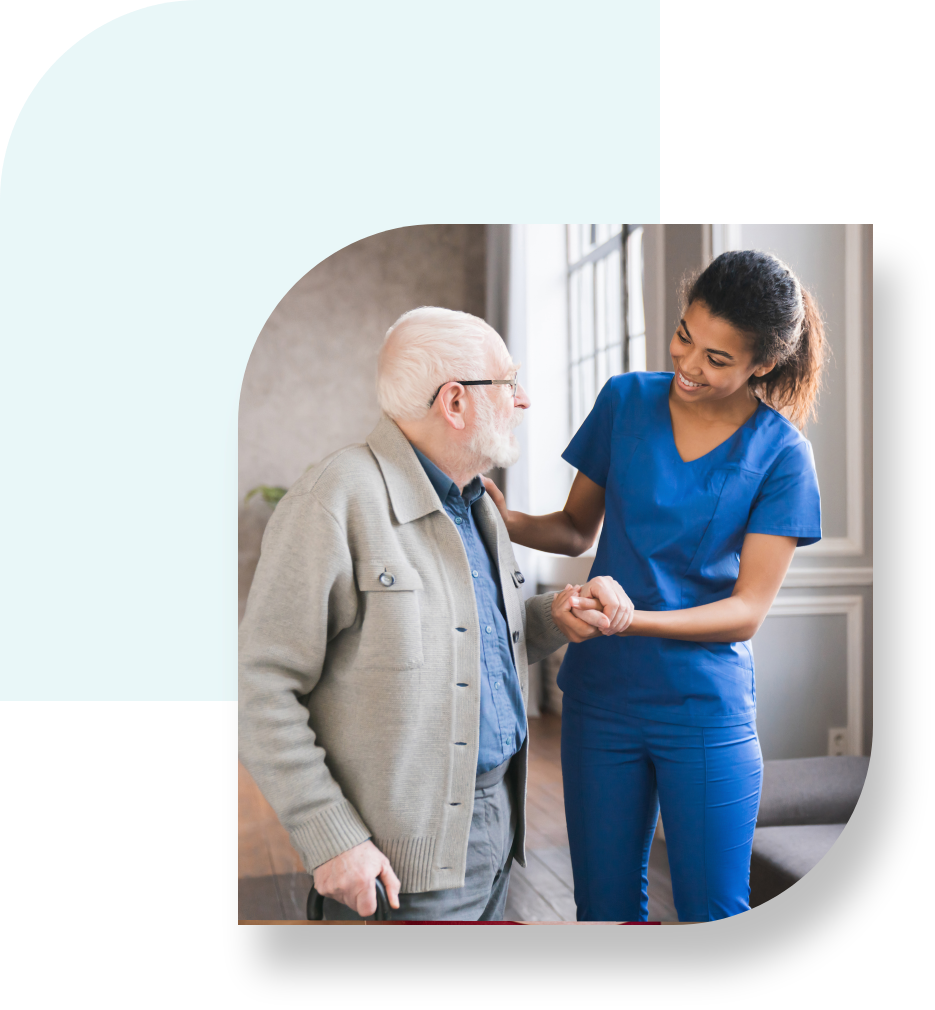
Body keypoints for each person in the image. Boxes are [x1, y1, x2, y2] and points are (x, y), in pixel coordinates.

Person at [238, 306, 629, 921]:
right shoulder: (333, 499)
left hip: (498, 825)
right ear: (455, 403)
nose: (522, 399)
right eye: (507, 382)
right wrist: (332, 837)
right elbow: (260, 685)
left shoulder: (479, 505)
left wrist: (556, 614)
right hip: (398, 866)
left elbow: (466, 643)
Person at [484, 250, 825, 921]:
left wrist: (627, 620)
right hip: (599, 698)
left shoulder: (783, 455)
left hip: (703, 709)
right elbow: (576, 529)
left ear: (761, 365)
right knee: (603, 907)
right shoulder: (625, 399)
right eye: (683, 336)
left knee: (711, 907)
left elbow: (745, 612)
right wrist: (504, 518)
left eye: (718, 359)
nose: (689, 365)